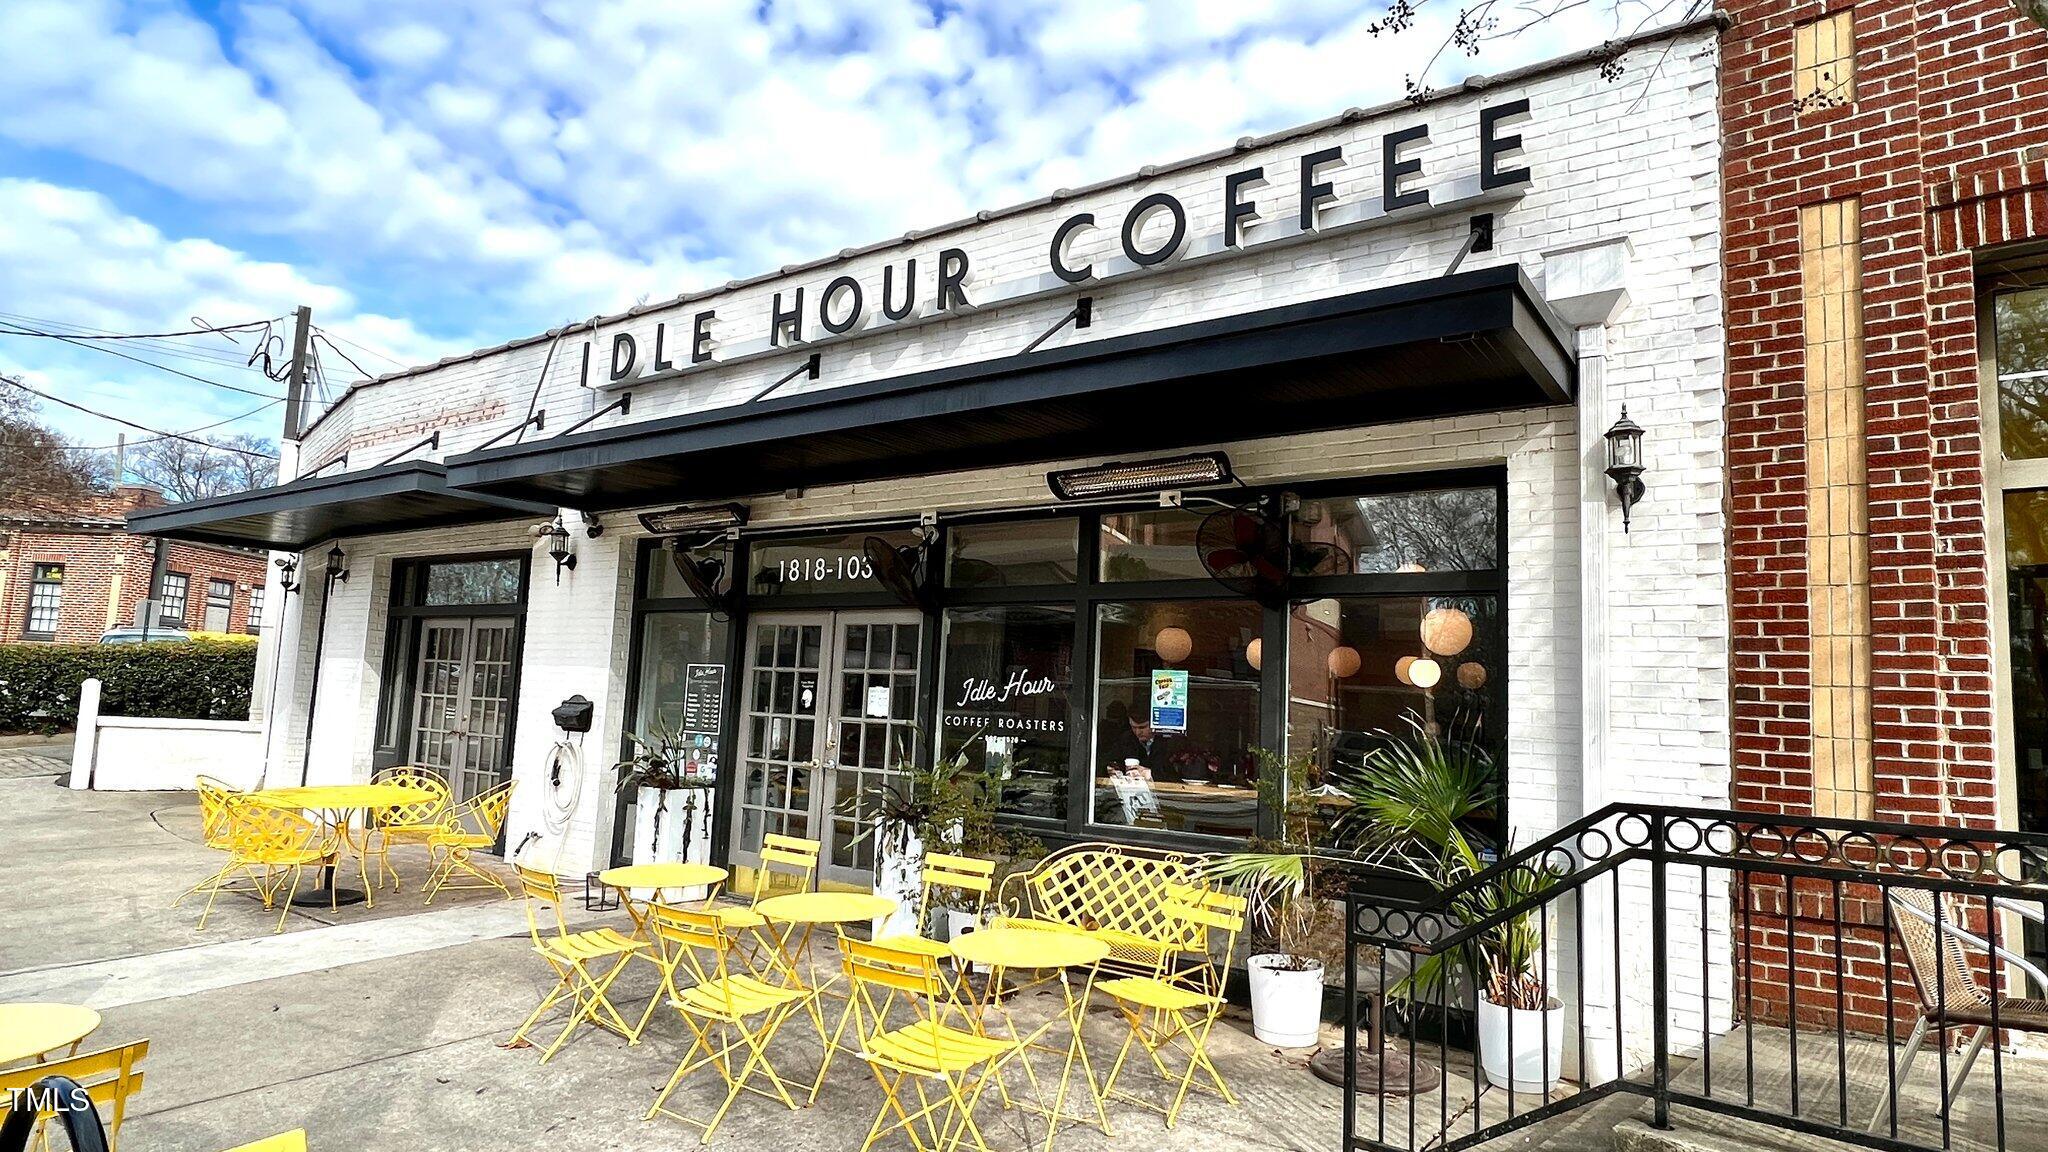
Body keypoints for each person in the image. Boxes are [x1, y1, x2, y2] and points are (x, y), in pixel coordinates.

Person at [1100, 701, 1186, 780]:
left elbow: (1179, 774)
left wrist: (1151, 774)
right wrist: (1111, 768)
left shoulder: (1170, 741)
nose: (1138, 732)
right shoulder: (1127, 739)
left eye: (1143, 727)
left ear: (1154, 723)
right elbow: (1107, 761)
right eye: (1133, 727)